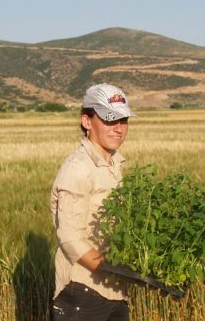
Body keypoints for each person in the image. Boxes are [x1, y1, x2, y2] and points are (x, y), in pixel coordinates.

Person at [50, 83, 136, 321]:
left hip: (114, 292)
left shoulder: (114, 164)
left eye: (124, 120)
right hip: (83, 292)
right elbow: (70, 238)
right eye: (110, 119)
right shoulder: (78, 168)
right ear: (87, 122)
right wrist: (112, 269)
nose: (118, 128)